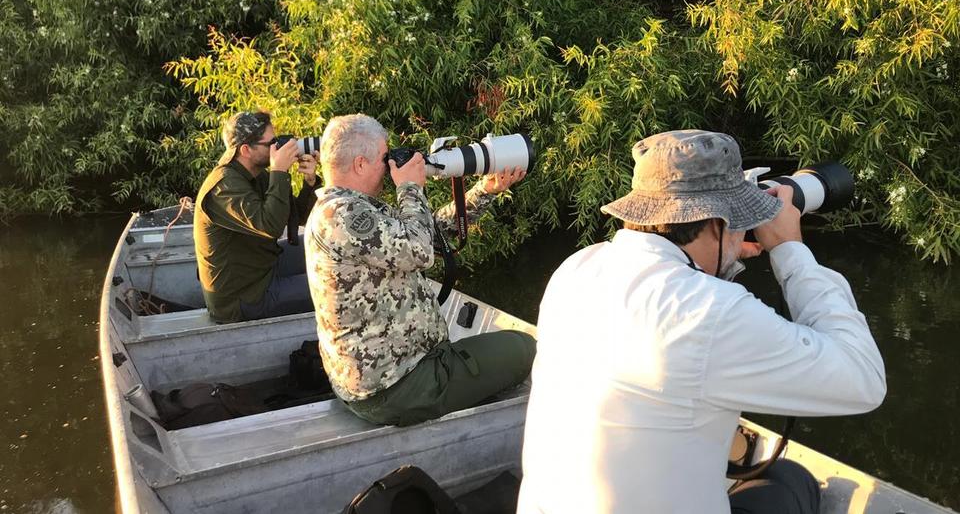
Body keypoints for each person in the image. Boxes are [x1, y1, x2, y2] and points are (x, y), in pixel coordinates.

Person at [518, 130, 886, 514]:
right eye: (739, 220)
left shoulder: (578, 268)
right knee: (790, 482)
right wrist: (789, 249)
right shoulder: (712, 313)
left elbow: (675, 315)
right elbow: (863, 378)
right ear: (715, 224)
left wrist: (722, 256)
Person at [304, 114, 536, 426]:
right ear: (360, 164)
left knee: (507, 348)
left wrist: (486, 190)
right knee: (524, 348)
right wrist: (410, 187)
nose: (390, 167)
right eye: (384, 158)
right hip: (397, 386)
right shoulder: (342, 215)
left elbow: (430, 235)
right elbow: (420, 250)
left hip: (393, 371)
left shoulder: (351, 206)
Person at [194, 111, 318, 323]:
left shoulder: (254, 173)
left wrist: (310, 183)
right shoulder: (224, 187)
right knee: (335, 283)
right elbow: (270, 225)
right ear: (246, 149)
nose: (276, 148)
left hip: (263, 267)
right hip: (245, 298)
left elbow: (295, 217)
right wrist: (279, 171)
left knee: (326, 245)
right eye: (271, 143)